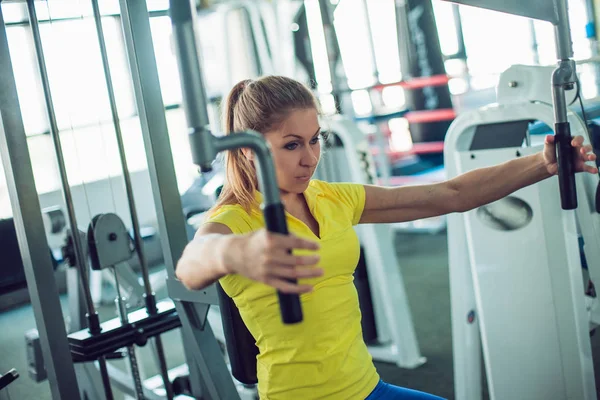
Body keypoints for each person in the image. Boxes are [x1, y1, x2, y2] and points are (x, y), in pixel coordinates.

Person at [175, 76, 598, 400]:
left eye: (314, 140)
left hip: (367, 387)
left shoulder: (330, 198)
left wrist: (541, 166)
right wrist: (237, 250)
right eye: (291, 145)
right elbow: (191, 266)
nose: (309, 158)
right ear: (250, 150)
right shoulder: (234, 220)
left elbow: (450, 194)